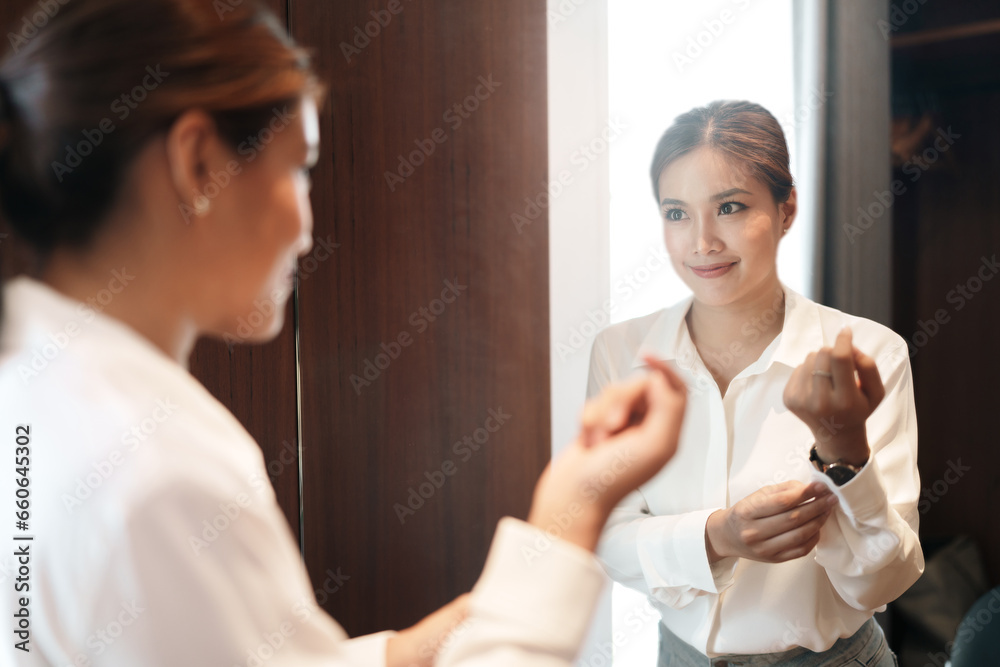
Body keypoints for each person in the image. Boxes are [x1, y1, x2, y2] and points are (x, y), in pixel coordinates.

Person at [0, 1, 689, 665]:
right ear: (200, 164)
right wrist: (574, 508)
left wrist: (420, 647)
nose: (306, 229)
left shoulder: (35, 390)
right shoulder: (160, 475)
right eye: (300, 167)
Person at [588, 101, 924, 666]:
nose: (702, 242)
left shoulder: (872, 353)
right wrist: (719, 537)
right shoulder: (621, 355)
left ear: (786, 209)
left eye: (730, 207)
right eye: (676, 213)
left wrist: (844, 452)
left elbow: (884, 584)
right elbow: (603, 534)